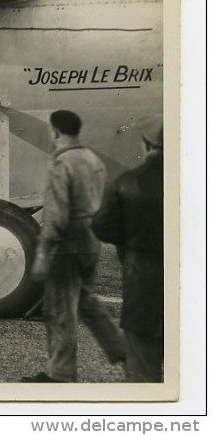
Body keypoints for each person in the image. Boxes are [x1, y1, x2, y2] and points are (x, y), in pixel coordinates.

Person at [22, 110, 125, 383]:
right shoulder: (93, 160)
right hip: (91, 240)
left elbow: (56, 213)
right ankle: (122, 349)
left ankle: (61, 375)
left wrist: (44, 252)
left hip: (67, 243)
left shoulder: (61, 163)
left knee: (59, 311)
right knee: (85, 301)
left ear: (55, 132)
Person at [93, 117, 164, 382]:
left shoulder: (127, 182)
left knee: (143, 372)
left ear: (146, 145)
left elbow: (103, 229)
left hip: (142, 288)